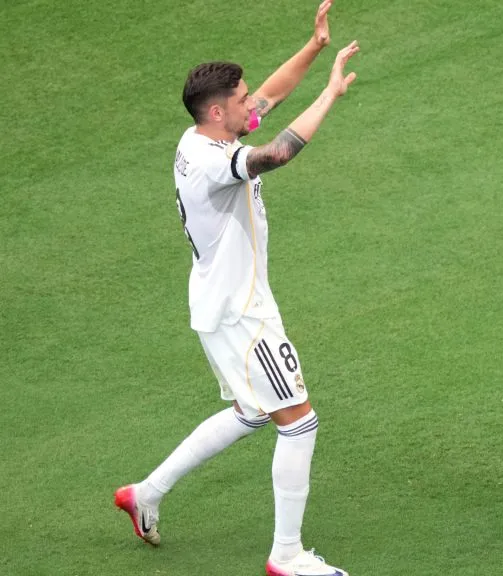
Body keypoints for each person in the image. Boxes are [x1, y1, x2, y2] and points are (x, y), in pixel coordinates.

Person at [114, 3, 359, 575]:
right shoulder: (213, 161)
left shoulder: (201, 133)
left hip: (215, 304)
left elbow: (270, 95)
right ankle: (287, 556)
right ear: (219, 111)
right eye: (244, 100)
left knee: (251, 412)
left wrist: (314, 47)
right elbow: (277, 154)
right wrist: (329, 96)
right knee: (299, 422)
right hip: (242, 313)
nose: (256, 104)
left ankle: (145, 492)